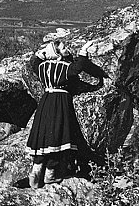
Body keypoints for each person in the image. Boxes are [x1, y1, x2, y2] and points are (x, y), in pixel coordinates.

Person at [26, 39, 107, 188]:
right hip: (60, 102)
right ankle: (50, 175)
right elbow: (77, 69)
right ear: (57, 54)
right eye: (63, 48)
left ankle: (35, 173)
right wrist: (83, 51)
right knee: (57, 137)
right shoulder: (63, 67)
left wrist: (40, 55)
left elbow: (34, 63)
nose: (67, 49)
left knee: (43, 135)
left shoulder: (42, 67)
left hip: (45, 102)